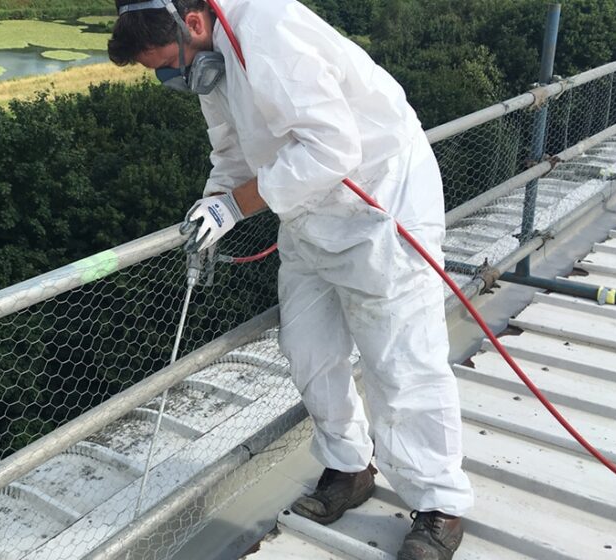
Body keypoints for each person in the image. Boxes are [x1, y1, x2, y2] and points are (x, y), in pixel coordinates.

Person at [108, 1, 474, 558]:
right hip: (307, 214)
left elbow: (334, 149)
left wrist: (234, 208)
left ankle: (439, 505)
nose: (167, 78)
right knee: (308, 349)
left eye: (164, 65)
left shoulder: (270, 29)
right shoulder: (209, 62)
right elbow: (232, 152)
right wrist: (211, 206)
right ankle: (350, 468)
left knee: (400, 362)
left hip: (379, 208)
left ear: (195, 24)